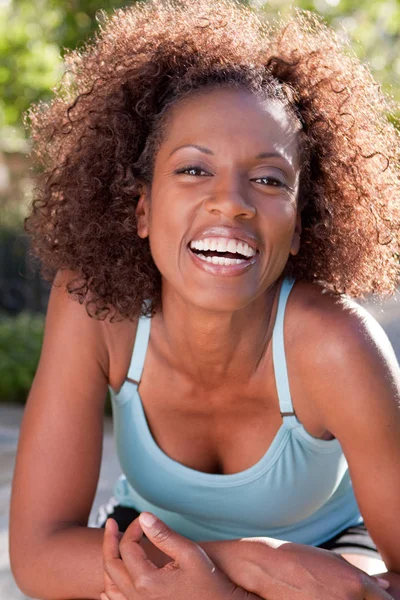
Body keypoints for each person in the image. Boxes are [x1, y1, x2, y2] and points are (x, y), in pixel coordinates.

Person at [9, 0, 400, 598]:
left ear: (299, 226)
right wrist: (240, 564)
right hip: (154, 551)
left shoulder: (337, 346)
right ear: (141, 207)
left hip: (324, 566)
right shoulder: (96, 306)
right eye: (194, 170)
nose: (233, 201)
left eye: (269, 179)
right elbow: (39, 554)